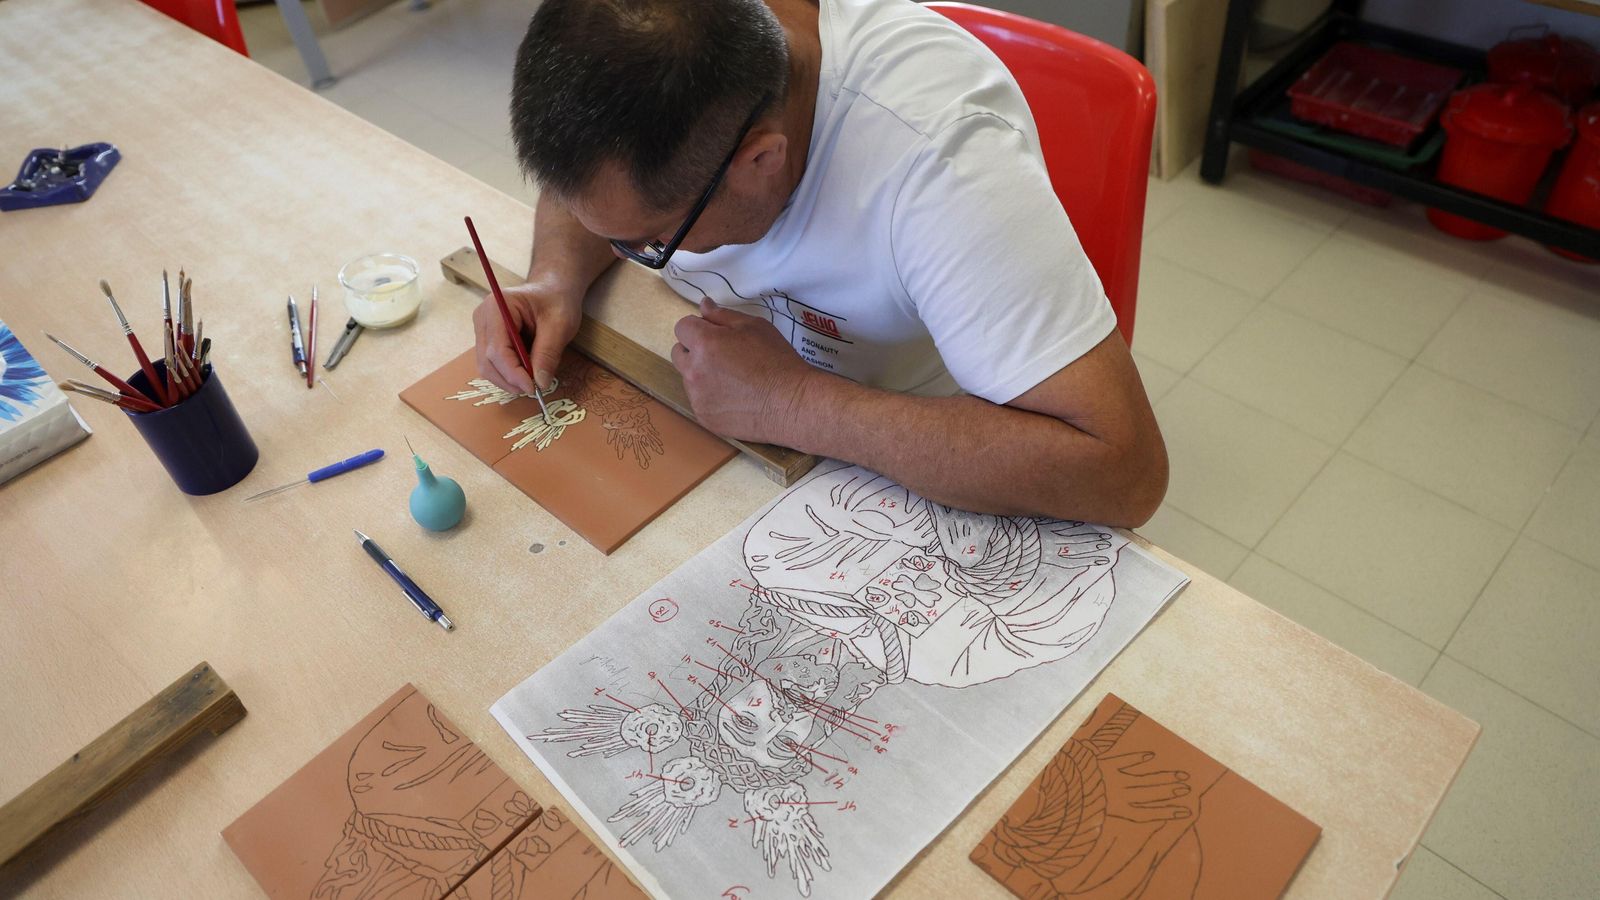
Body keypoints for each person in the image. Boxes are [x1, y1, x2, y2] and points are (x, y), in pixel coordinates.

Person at [474, 0, 1167, 526]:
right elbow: (600, 189)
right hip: (737, 419)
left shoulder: (941, 164)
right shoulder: (676, 88)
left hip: (913, 452)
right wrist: (555, 277)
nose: (637, 256)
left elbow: (1123, 472)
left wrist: (795, 404)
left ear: (760, 159)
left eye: (650, 242)